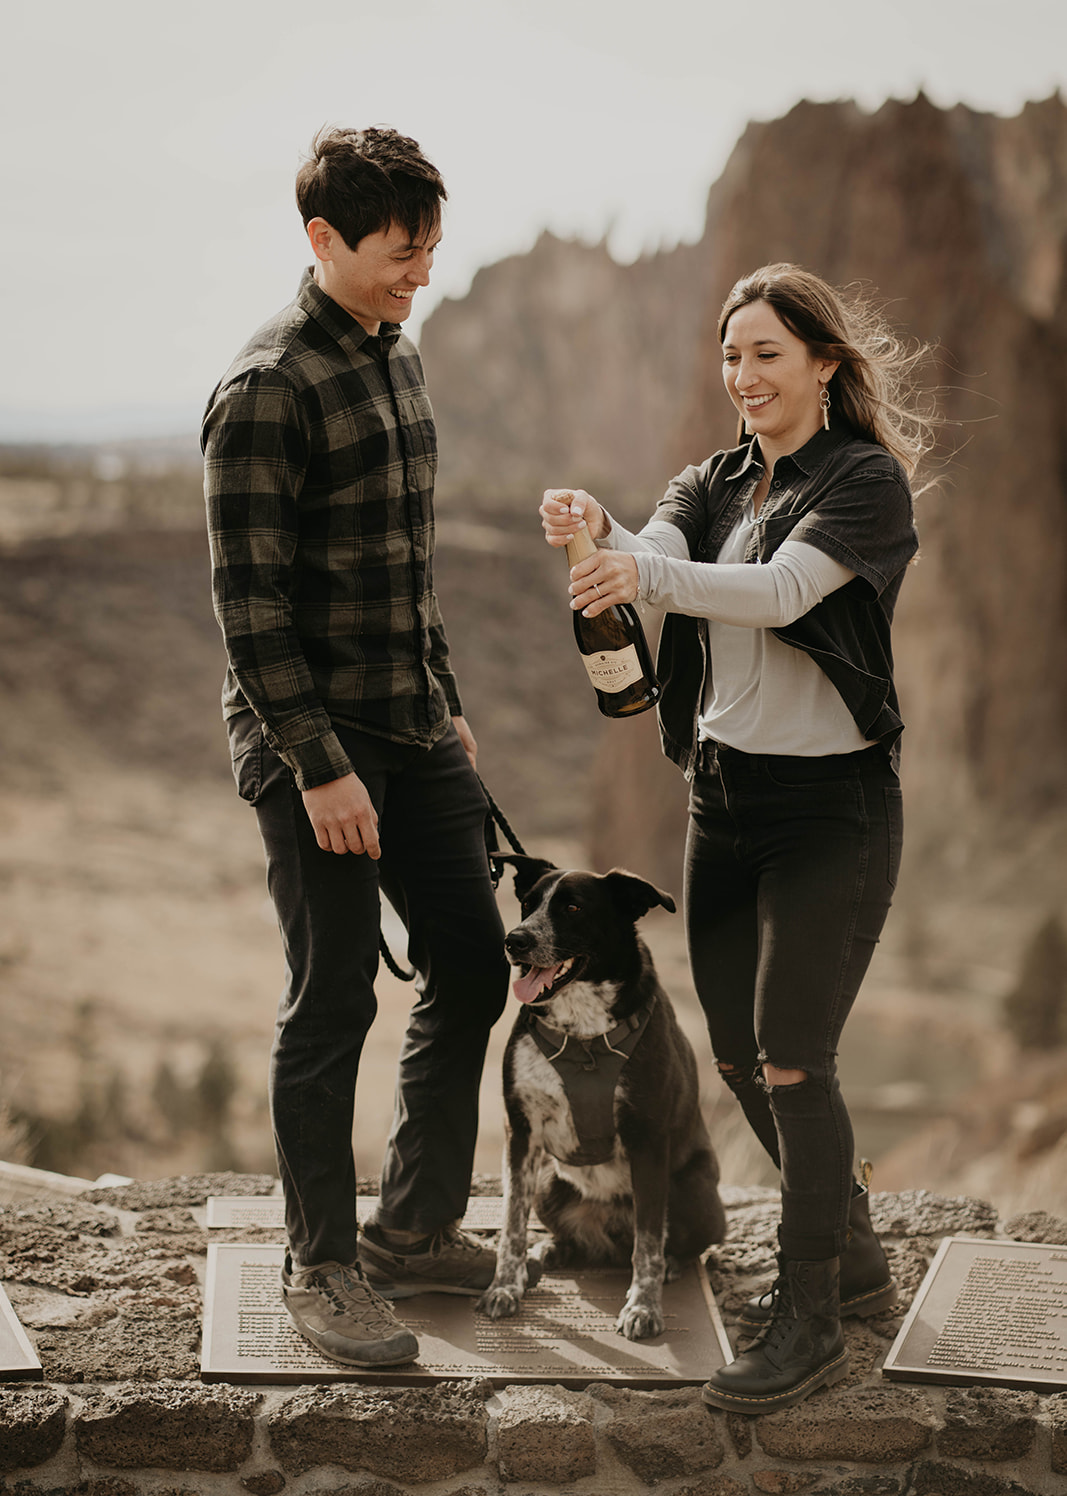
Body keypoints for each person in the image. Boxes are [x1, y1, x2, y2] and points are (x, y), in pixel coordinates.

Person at [540, 262, 936, 1414]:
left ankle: (808, 1312)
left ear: (822, 363)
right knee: (726, 1053)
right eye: (730, 354)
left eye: (767, 352)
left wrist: (638, 565)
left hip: (830, 812)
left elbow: (773, 592)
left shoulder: (863, 483)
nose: (744, 374)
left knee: (791, 1056)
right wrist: (589, 525)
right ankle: (848, 1242)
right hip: (724, 801)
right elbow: (651, 537)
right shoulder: (714, 478)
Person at [202, 126, 509, 1369]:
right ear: (322, 239)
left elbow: (406, 564)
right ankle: (319, 1267)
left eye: (432, 246)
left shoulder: (395, 354)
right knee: (330, 999)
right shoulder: (266, 385)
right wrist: (320, 765)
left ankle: (412, 1228)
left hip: (412, 721)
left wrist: (444, 701)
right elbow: (248, 603)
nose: (420, 272)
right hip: (309, 741)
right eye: (399, 250)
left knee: (474, 963)